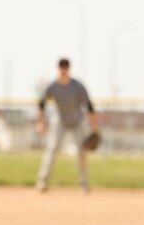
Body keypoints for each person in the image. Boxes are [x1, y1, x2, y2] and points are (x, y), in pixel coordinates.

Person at [35, 58, 97, 193]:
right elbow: (42, 104)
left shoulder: (78, 86)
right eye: (61, 67)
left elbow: (90, 106)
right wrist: (40, 122)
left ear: (69, 68)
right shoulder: (52, 86)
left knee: (81, 152)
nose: (64, 69)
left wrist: (93, 127)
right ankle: (42, 182)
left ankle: (84, 184)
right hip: (60, 119)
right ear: (58, 68)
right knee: (52, 149)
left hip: (77, 120)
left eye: (66, 67)